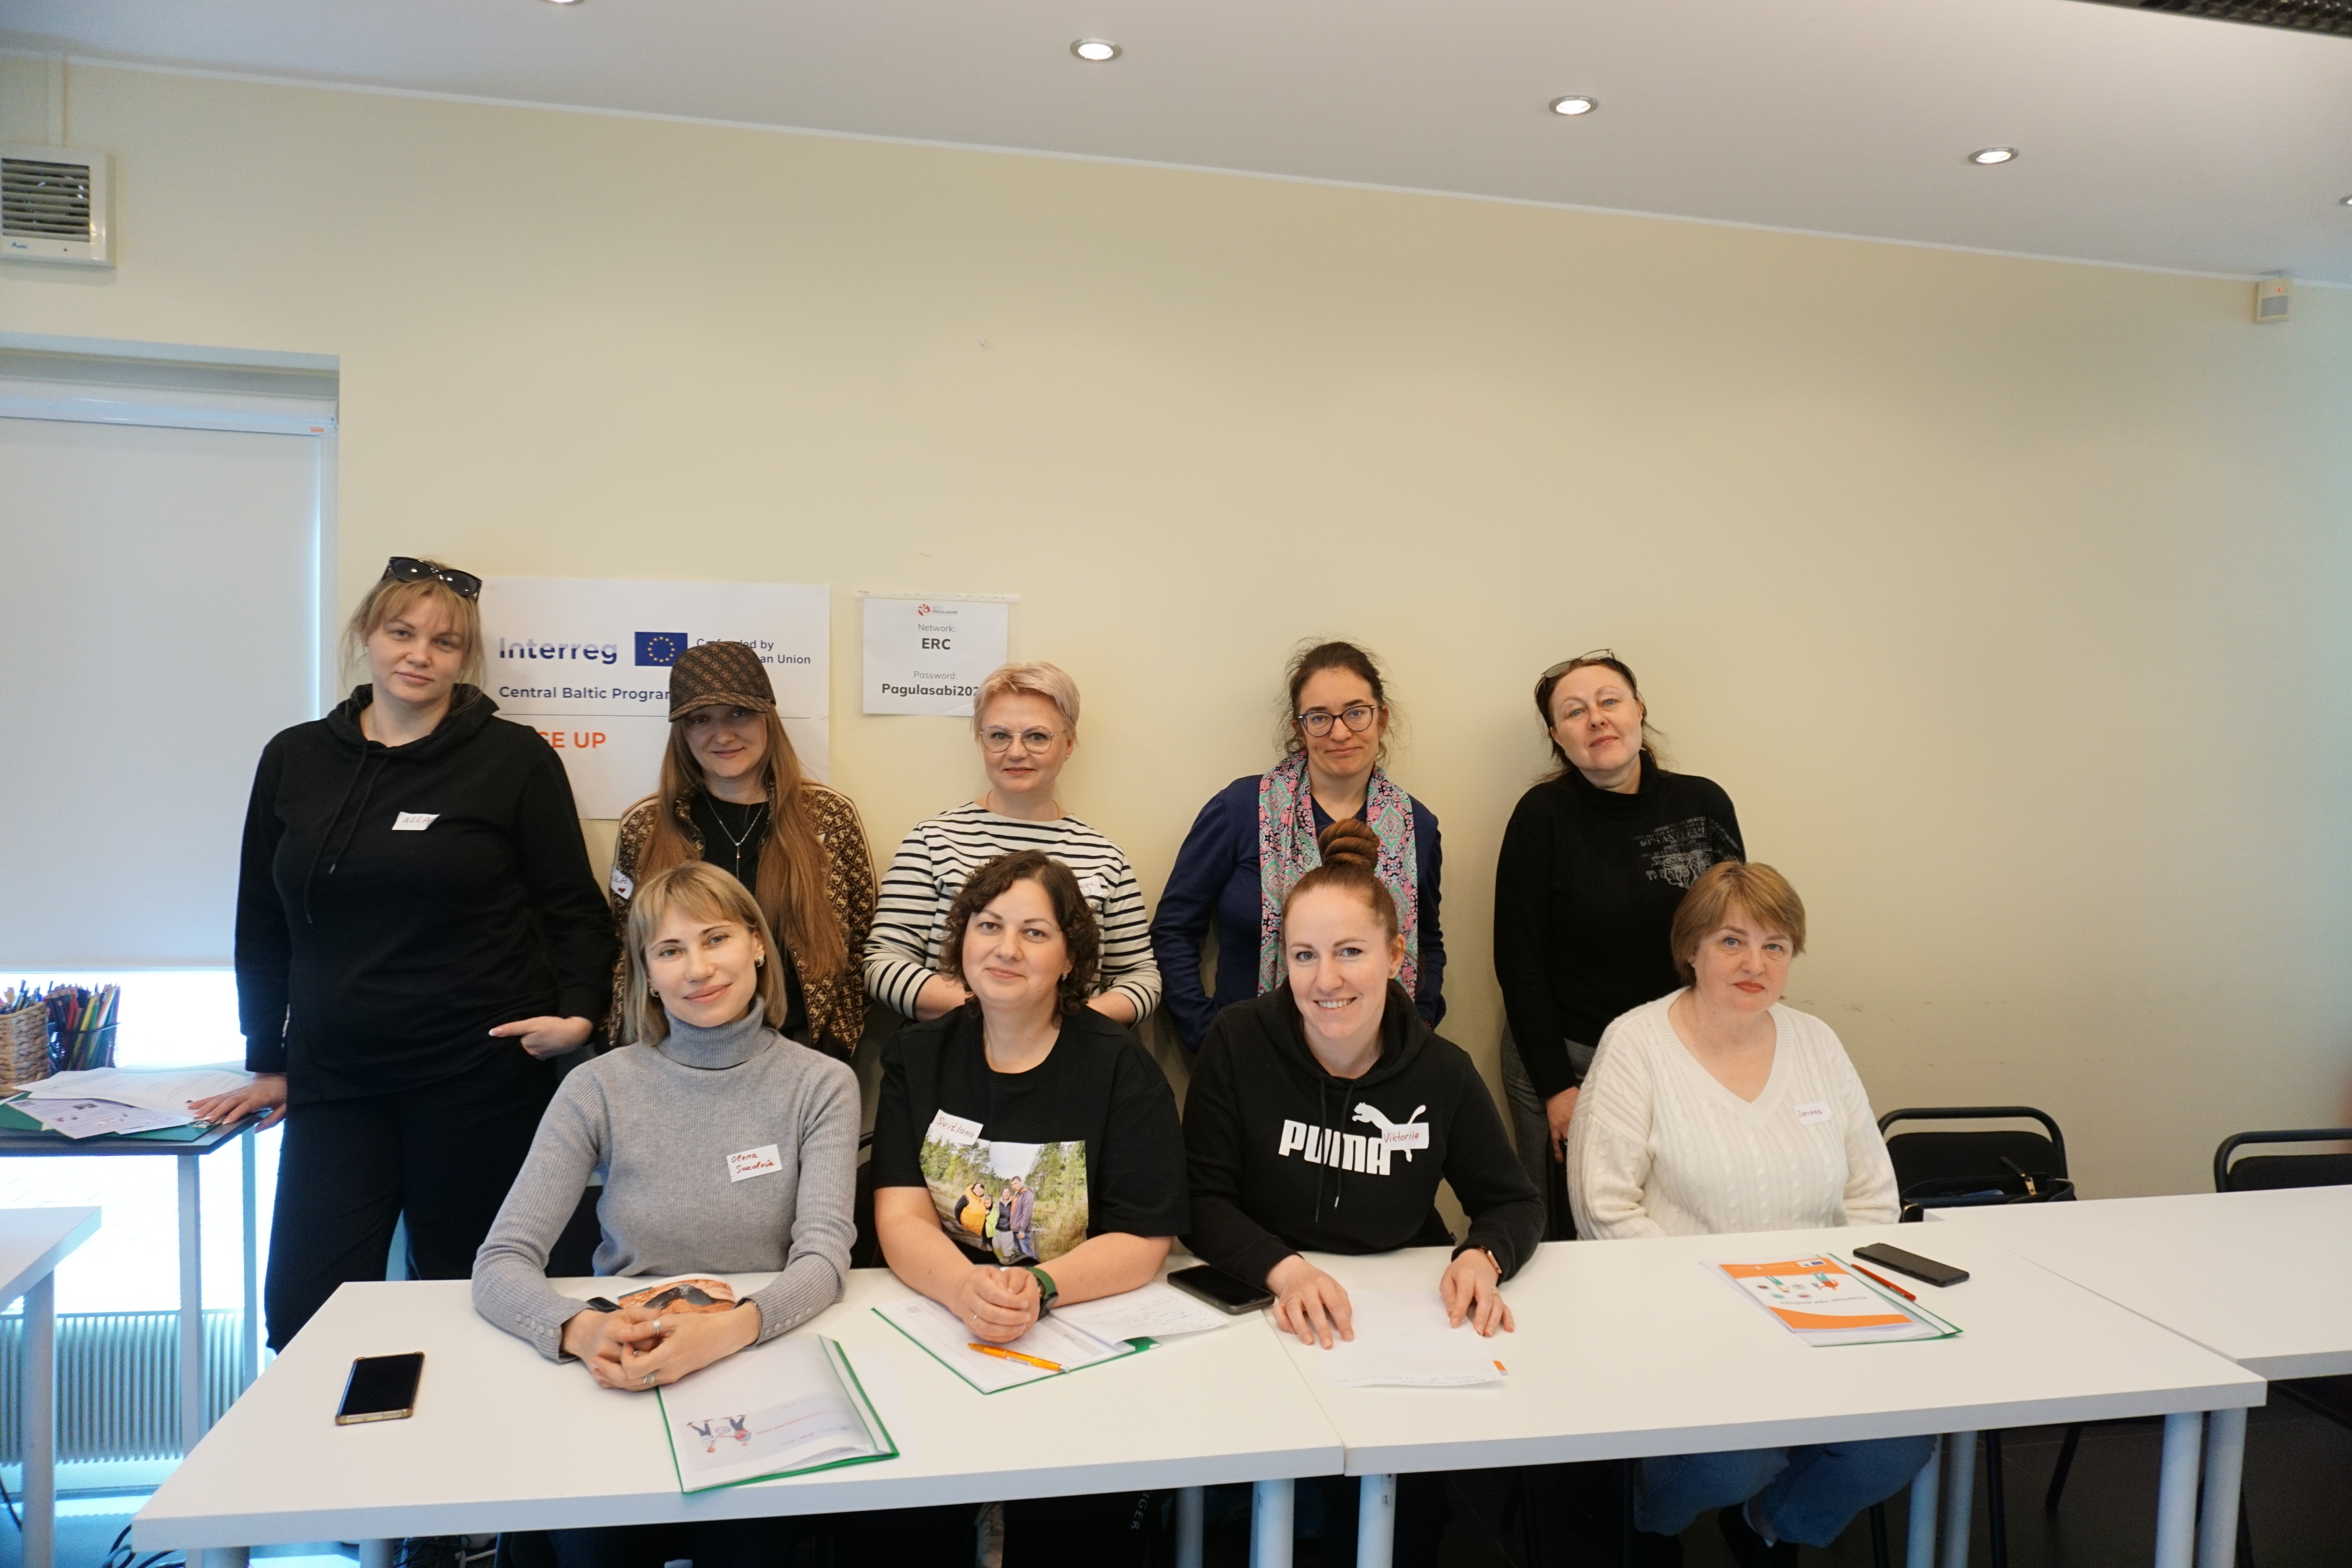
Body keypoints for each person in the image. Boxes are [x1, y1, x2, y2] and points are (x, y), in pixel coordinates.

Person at [198, 557, 614, 1350]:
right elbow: (262, 921)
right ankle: (341, 1471)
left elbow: (574, 911)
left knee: (473, 1296)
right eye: (402, 631)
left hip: (478, 1077)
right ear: (367, 634)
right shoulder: (295, 758)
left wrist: (578, 1015)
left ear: (467, 658)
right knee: (303, 1312)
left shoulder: (514, 760)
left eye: (445, 641)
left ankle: (473, 1466)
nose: (420, 653)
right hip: (337, 1077)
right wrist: (269, 1056)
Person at [474, 860, 859, 1568]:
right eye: (671, 951)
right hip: (621, 1361)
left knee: (755, 1544)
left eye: (716, 939)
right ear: (647, 973)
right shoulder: (598, 1088)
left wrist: (729, 1333)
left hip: (757, 1352)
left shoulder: (822, 1085)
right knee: (593, 1547)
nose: (698, 969)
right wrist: (580, 1331)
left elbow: (824, 1259)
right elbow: (500, 1263)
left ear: (758, 945)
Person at [1184, 818, 1541, 1568]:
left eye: (1350, 952)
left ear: (1394, 956)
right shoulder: (1239, 1041)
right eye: (1305, 955)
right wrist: (1286, 1268)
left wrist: (1482, 1257)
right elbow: (1201, 1198)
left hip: (1390, 1314)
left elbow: (1513, 1200)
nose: (1327, 980)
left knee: (1399, 1516)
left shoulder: (1441, 1071)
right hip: (1264, 1301)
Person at [1566, 861, 1922, 1566]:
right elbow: (1604, 1206)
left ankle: (1768, 1522)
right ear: (1691, 949)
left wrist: (1839, 1301)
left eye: (1776, 945)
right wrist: (1718, 1299)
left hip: (1821, 1314)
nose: (1754, 963)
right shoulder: (1636, 1044)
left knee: (1897, 1447)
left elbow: (1873, 1196)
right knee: (1731, 1462)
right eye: (1731, 941)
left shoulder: (1818, 1043)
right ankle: (1647, 1519)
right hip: (1685, 1321)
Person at [869, 849, 1187, 1563]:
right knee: (904, 1528)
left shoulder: (1120, 1068)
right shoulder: (918, 1056)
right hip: (945, 1321)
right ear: (961, 944)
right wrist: (965, 1289)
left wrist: (1037, 1289)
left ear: (1071, 958)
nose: (1006, 949)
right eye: (989, 926)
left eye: (1035, 933)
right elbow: (900, 1214)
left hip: (1076, 1329)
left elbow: (1142, 1237)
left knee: (1074, 1536)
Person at [1493, 650, 1742, 1216]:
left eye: (1610, 701)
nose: (1597, 719)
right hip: (1565, 1062)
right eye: (1576, 712)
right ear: (1559, 736)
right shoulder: (1542, 816)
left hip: (1678, 1056)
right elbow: (1519, 959)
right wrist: (1558, 1088)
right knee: (1561, 1231)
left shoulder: (1703, 805)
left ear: (1638, 710)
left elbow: (1736, 937)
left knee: (1668, 1218)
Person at [1152, 640, 1446, 1052]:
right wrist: (1207, 1037)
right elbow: (1174, 931)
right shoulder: (1241, 810)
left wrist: (1422, 1022)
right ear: (1299, 728)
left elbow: (1427, 940)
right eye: (1320, 718)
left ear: (1382, 719)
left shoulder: (1418, 826)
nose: (1340, 732)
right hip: (1252, 1055)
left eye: (1356, 713)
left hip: (1377, 1059)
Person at [607, 639, 875, 1057]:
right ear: (684, 732)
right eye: (701, 719)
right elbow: (626, 950)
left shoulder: (828, 817)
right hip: (679, 1054)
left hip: (804, 1052)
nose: (724, 734)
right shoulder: (646, 826)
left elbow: (860, 943)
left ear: (767, 717)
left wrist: (839, 1043)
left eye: (739, 713)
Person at [864, 662, 1160, 1026]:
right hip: (951, 1056)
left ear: (1067, 744)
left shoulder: (1105, 857)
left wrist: (1063, 1026)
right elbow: (882, 963)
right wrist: (998, 1011)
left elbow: (1140, 977)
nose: (1016, 752)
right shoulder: (932, 841)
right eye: (999, 735)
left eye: (1037, 737)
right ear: (981, 742)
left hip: (1068, 1060)